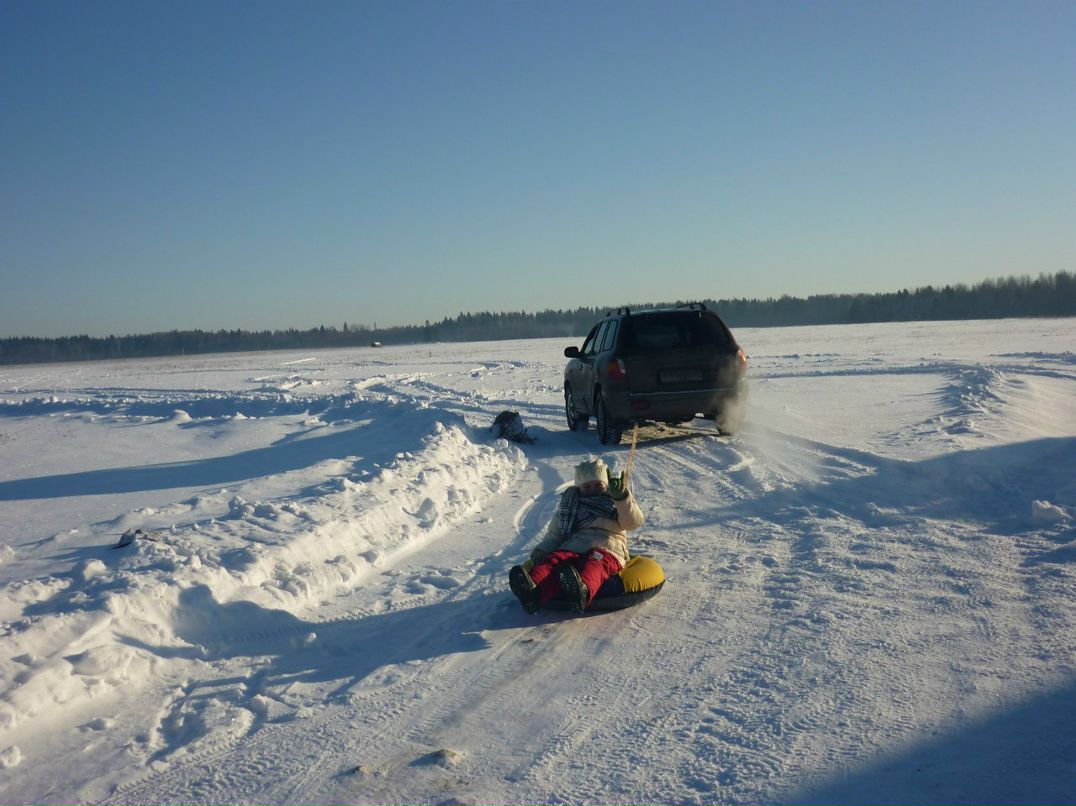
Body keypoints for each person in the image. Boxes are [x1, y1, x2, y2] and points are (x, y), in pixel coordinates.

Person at [509, 457, 645, 614]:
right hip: (574, 547)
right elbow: (555, 534)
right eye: (586, 486)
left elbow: (633, 522)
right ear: (579, 488)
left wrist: (622, 498)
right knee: (554, 560)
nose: (592, 489)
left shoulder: (615, 499)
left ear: (605, 484)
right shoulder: (571, 504)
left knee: (594, 562)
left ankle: (581, 592)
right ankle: (533, 591)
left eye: (597, 485)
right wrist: (540, 554)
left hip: (607, 548)